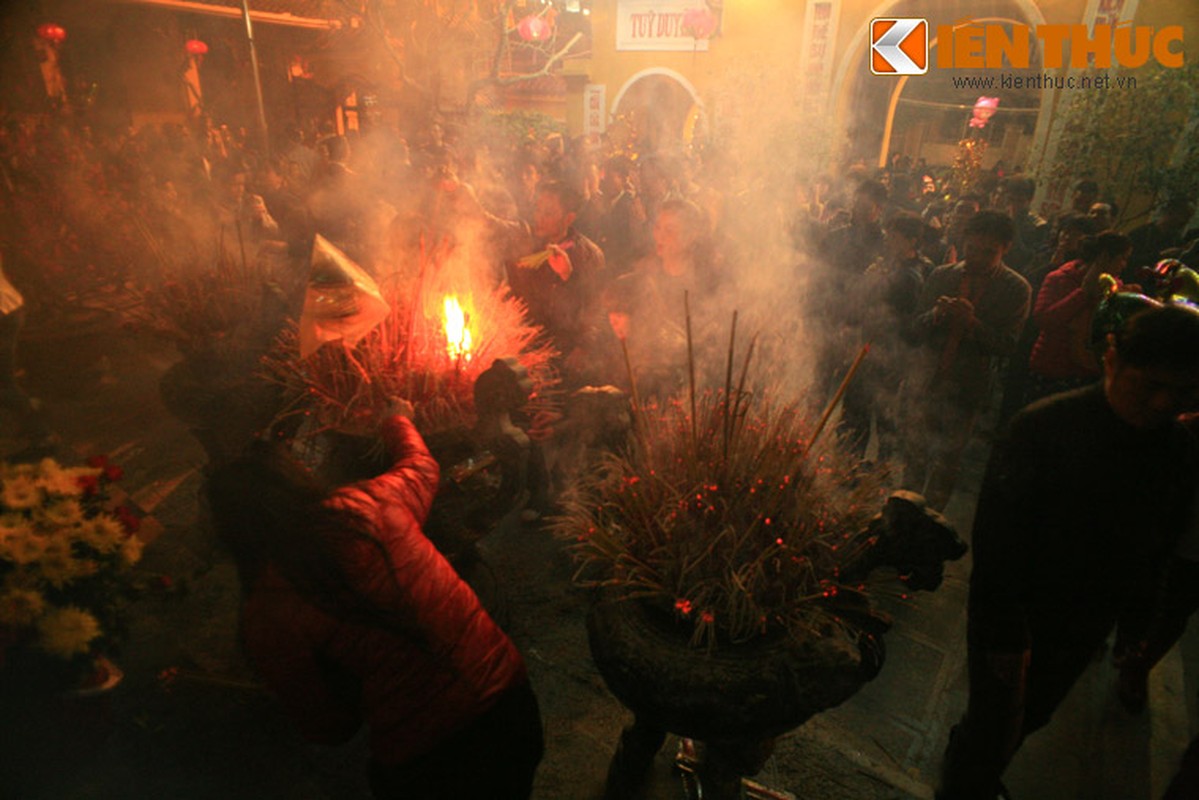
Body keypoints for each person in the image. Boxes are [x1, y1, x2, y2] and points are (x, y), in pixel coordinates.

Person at [205, 407, 544, 800]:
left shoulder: (266, 614)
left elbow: (328, 729)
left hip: (427, 759)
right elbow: (421, 465)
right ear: (293, 479)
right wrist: (397, 418)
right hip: (512, 707)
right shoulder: (367, 504)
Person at [936, 303, 1199, 800]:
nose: (1164, 404)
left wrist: (1137, 623)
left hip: (1086, 620)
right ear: (1111, 358)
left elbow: (1159, 543)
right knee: (993, 725)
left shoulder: (1177, 452)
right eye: (1150, 386)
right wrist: (1007, 643)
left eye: (1184, 393)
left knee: (1035, 713)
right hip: (1016, 616)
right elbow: (998, 552)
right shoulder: (1043, 429)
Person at [903, 211, 1031, 510]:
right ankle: (903, 517)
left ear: (1006, 249)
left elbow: (1008, 346)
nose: (978, 258)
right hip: (927, 378)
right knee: (914, 454)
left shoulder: (1015, 289)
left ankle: (930, 522)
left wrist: (972, 323)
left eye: (990, 252)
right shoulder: (942, 275)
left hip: (967, 388)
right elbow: (915, 326)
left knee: (947, 461)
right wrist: (936, 316)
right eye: (972, 249)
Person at [1024, 231, 1132, 404]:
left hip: (1089, 371)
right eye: (1122, 258)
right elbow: (1044, 320)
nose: (1124, 265)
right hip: (1052, 366)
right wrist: (1083, 293)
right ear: (1105, 257)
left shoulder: (1115, 286)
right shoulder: (1059, 278)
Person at [0, 256, 52, 451]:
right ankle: (33, 423)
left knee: (3, 385)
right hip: (10, 307)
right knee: (5, 381)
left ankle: (41, 431)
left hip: (2, 313)